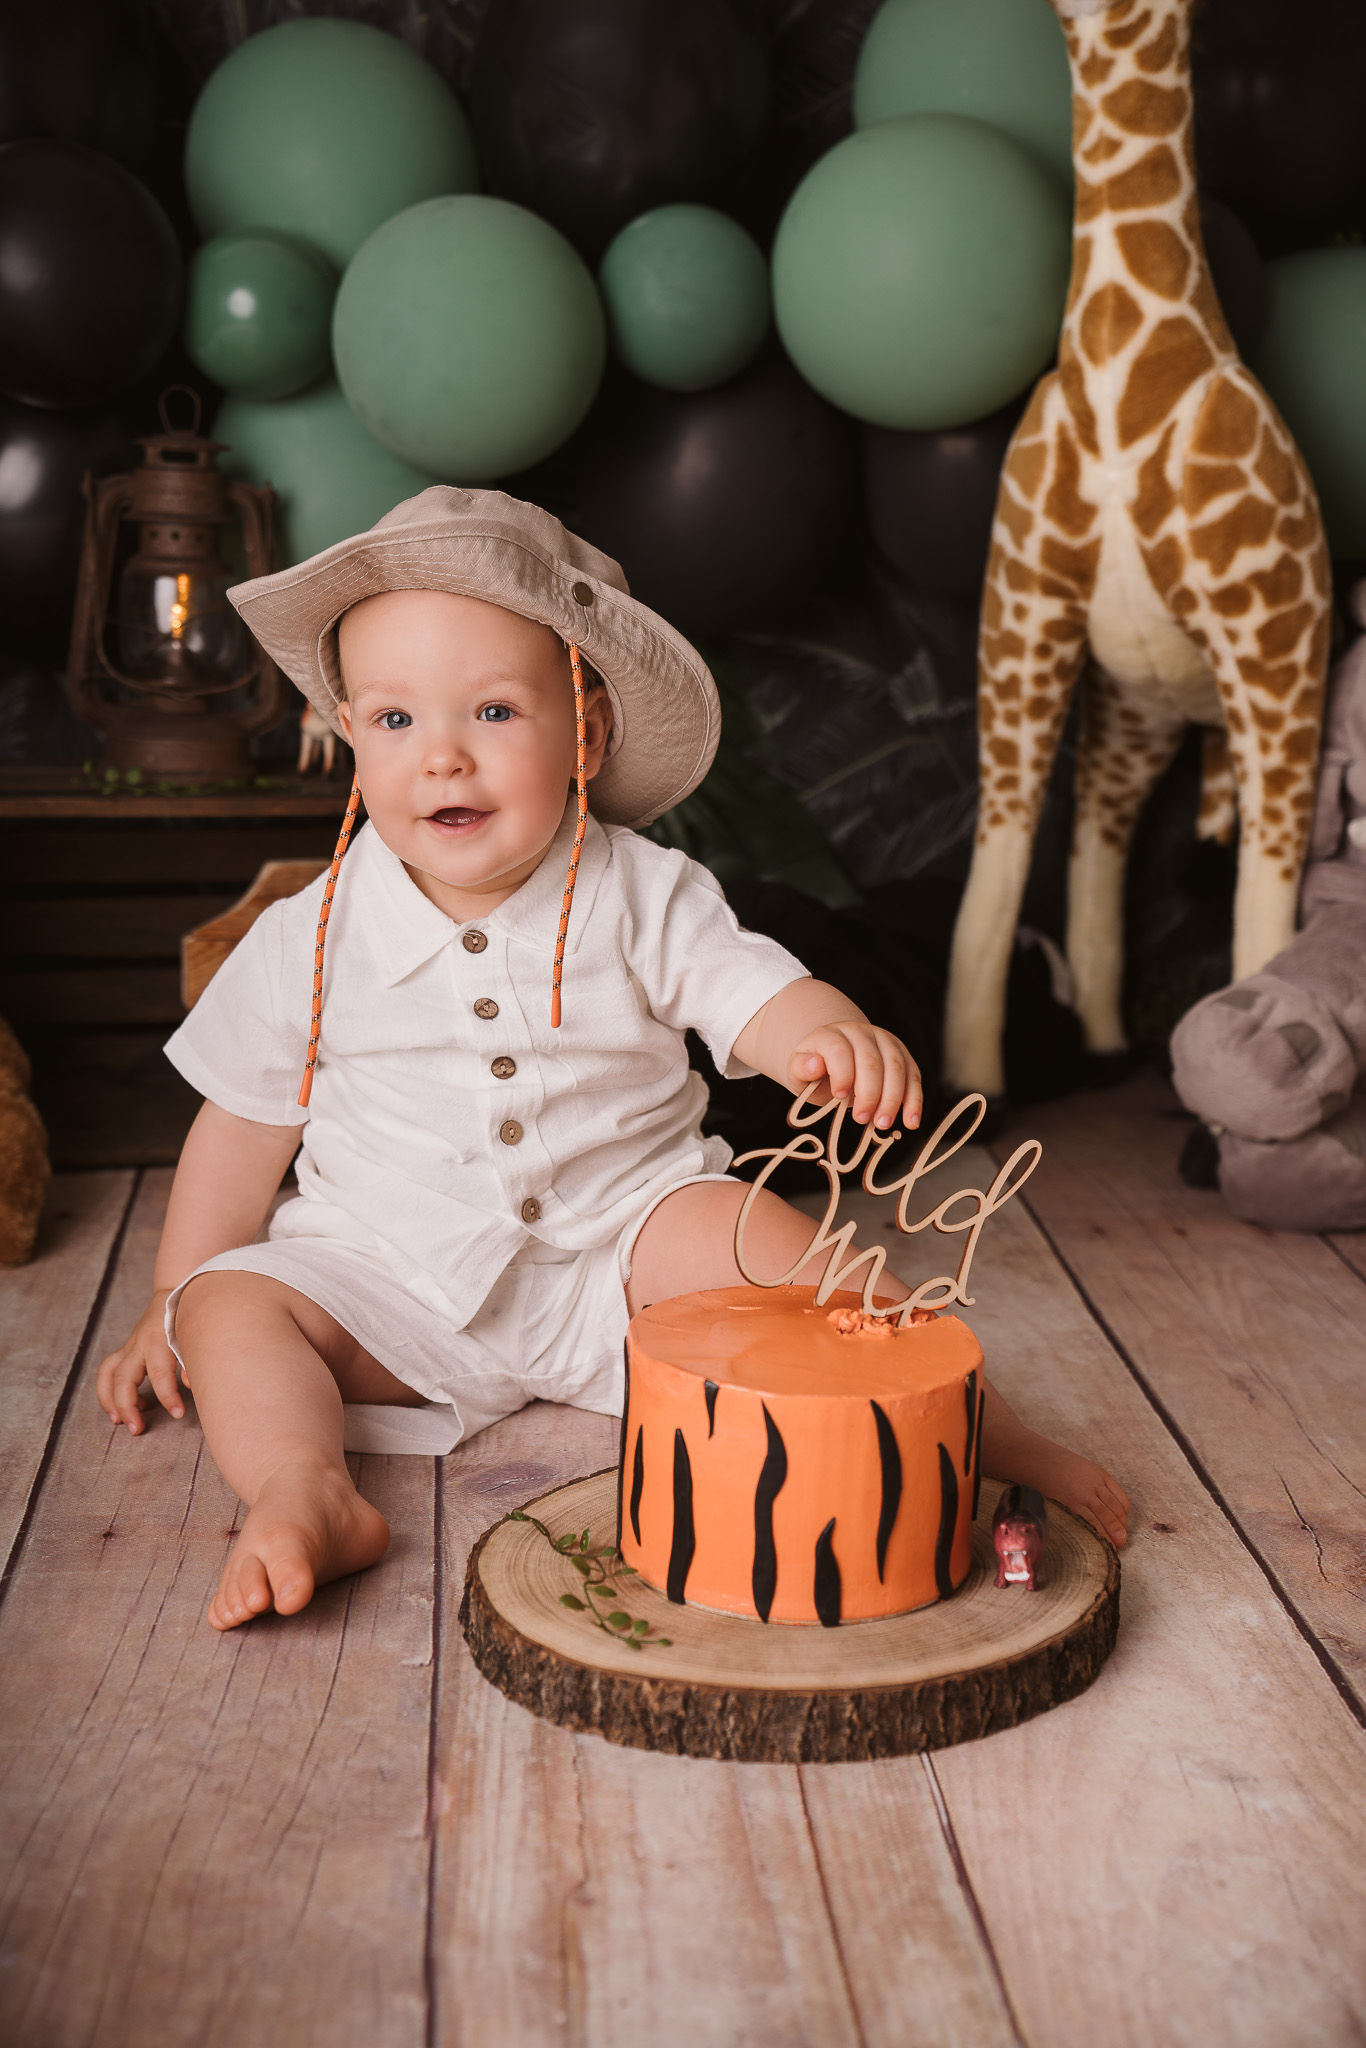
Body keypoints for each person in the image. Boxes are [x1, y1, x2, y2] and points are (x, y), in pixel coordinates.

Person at [96, 489, 1129, 1631]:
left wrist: (822, 1033)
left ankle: (982, 1423)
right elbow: (241, 1132)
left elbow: (751, 988)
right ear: (350, 735)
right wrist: (165, 1296)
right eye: (395, 722)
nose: (440, 756)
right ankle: (304, 1486)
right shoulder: (310, 933)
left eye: (491, 710)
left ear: (582, 731)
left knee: (784, 1247)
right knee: (233, 1304)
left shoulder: (641, 887)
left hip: (628, 1254)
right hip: (390, 1278)